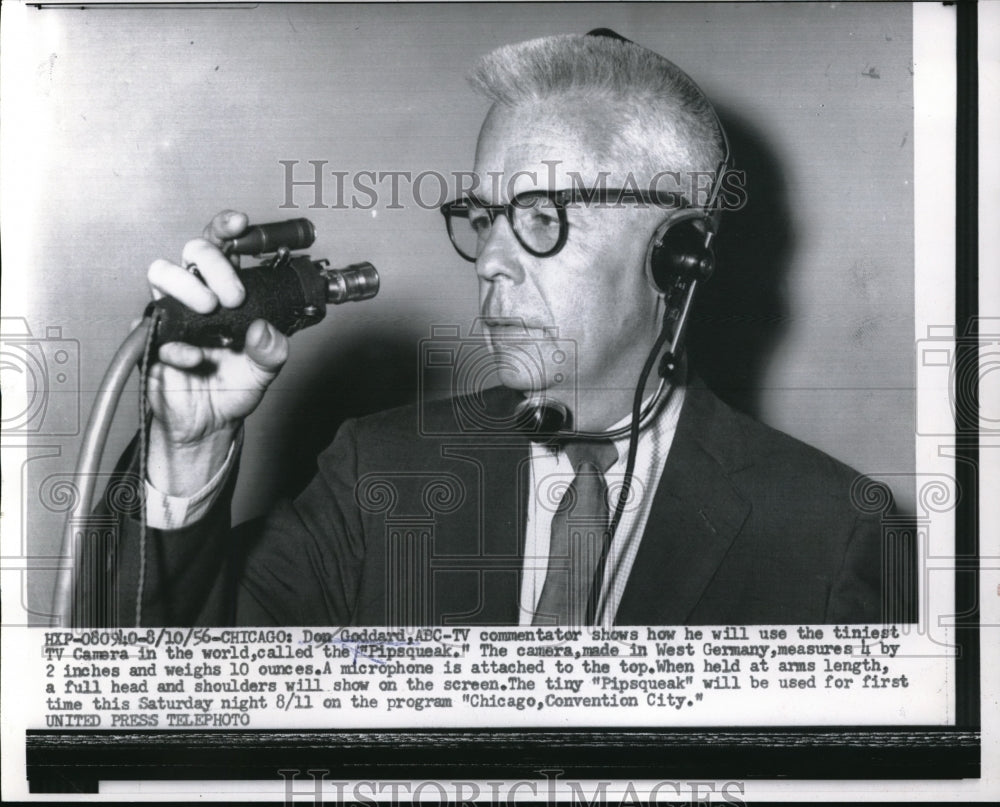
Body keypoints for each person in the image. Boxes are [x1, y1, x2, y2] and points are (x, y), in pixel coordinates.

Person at [84, 32, 906, 628]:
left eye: (541, 216)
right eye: (483, 219)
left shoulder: (828, 528)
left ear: (678, 251)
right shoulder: (377, 475)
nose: (489, 263)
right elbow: (172, 689)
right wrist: (188, 449)